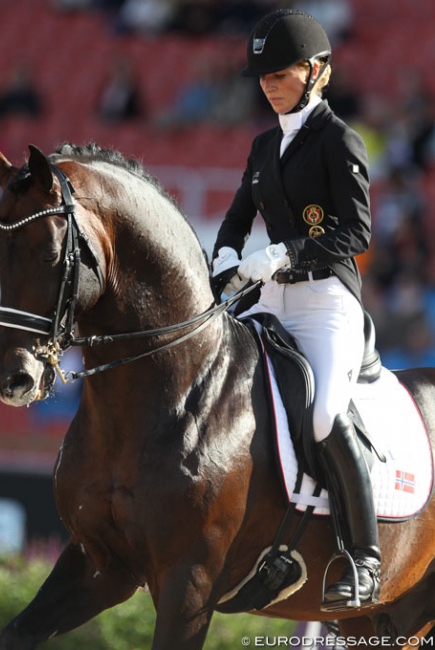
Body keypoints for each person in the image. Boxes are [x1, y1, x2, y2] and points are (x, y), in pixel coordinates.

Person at [211, 9, 380, 610]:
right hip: (272, 298)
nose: (268, 84)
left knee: (323, 417)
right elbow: (236, 215)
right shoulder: (262, 145)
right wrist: (227, 253)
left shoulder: (340, 139)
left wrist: (284, 250)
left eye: (279, 73)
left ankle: (364, 559)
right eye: (263, 76)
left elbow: (355, 233)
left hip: (325, 300)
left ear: (317, 72)